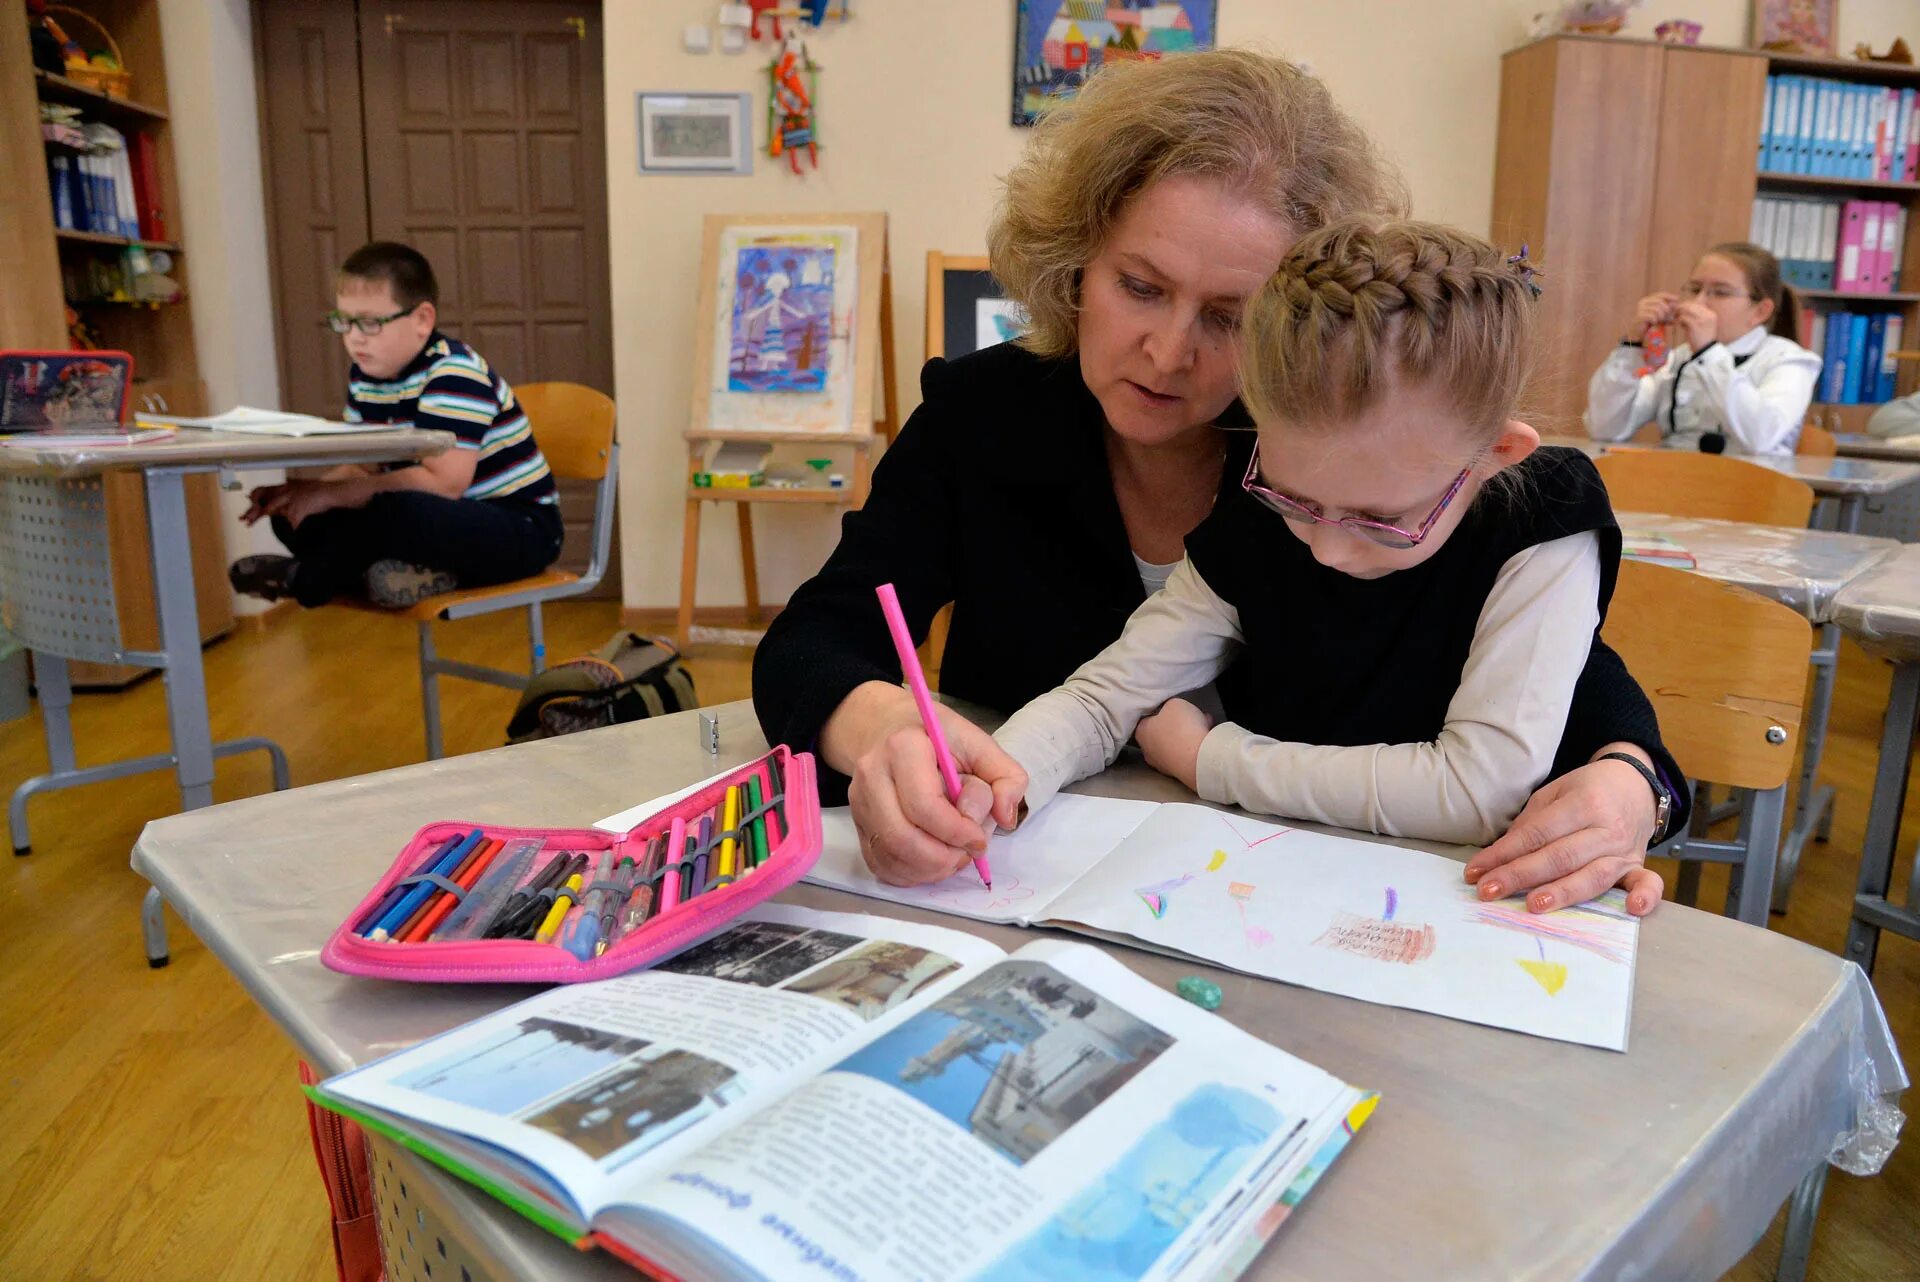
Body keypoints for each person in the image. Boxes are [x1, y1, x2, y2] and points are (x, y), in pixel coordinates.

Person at [753, 50, 1684, 916]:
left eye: (1232, 318)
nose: (1166, 353)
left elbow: (1534, 655)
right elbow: (818, 638)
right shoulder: (987, 417)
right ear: (1081, 257)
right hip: (1078, 895)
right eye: (1142, 287)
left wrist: (1631, 769)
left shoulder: (1337, 439)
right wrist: (890, 738)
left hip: (1315, 903)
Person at [996, 218, 1646, 858]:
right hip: (1272, 874)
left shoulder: (1546, 520)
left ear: (1495, 452)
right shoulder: (1254, 519)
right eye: (1296, 501)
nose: (1328, 549)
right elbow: (1102, 699)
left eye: (1382, 520)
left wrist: (1211, 761)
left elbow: (1478, 791)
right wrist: (998, 781)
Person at [228, 242, 564, 608]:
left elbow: (445, 484)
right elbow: (363, 466)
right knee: (296, 516)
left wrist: (327, 495)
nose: (355, 337)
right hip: (428, 526)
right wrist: (305, 493)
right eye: (345, 322)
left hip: (520, 529)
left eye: (371, 323)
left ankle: (311, 579)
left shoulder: (454, 372)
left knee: (398, 510)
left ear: (422, 320)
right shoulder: (367, 376)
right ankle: (407, 574)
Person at [1585, 242, 1820, 455]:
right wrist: (1632, 345)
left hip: (1752, 490)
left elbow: (1761, 436)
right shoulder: (1680, 358)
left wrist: (1708, 352)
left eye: (1720, 292)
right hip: (1676, 484)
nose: (1699, 303)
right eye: (1695, 289)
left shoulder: (1789, 360)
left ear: (1760, 311)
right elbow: (1605, 428)